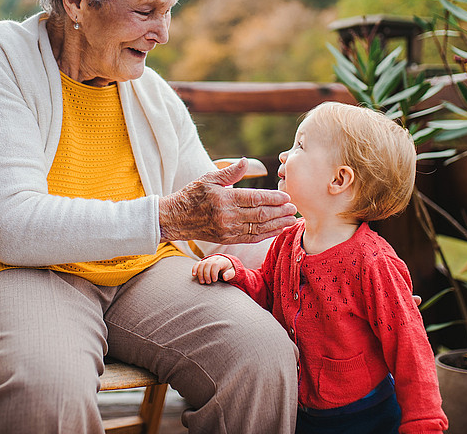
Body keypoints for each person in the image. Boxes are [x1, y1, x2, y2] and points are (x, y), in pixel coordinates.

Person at [0, 0, 300, 433]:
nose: (164, 33)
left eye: (168, 10)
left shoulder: (151, 92)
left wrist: (315, 266)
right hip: (20, 273)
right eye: (145, 11)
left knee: (262, 354)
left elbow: (214, 221)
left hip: (143, 271)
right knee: (45, 390)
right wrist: (169, 218)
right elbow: (13, 229)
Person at [192, 102, 449, 434]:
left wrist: (423, 423)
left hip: (365, 415)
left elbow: (410, 348)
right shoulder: (288, 240)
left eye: (299, 145)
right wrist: (235, 271)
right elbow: (269, 291)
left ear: (339, 179)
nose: (284, 155)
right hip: (302, 410)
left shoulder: (373, 263)